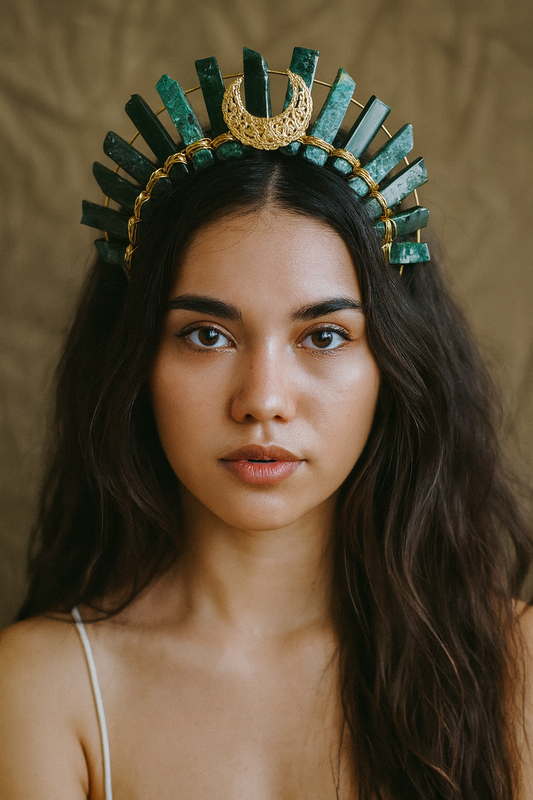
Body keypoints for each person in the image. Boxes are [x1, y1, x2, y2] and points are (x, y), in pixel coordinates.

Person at [0, 46, 532, 800]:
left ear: (395, 365)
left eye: (324, 336)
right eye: (206, 335)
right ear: (134, 362)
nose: (263, 399)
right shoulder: (43, 688)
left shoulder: (514, 668)